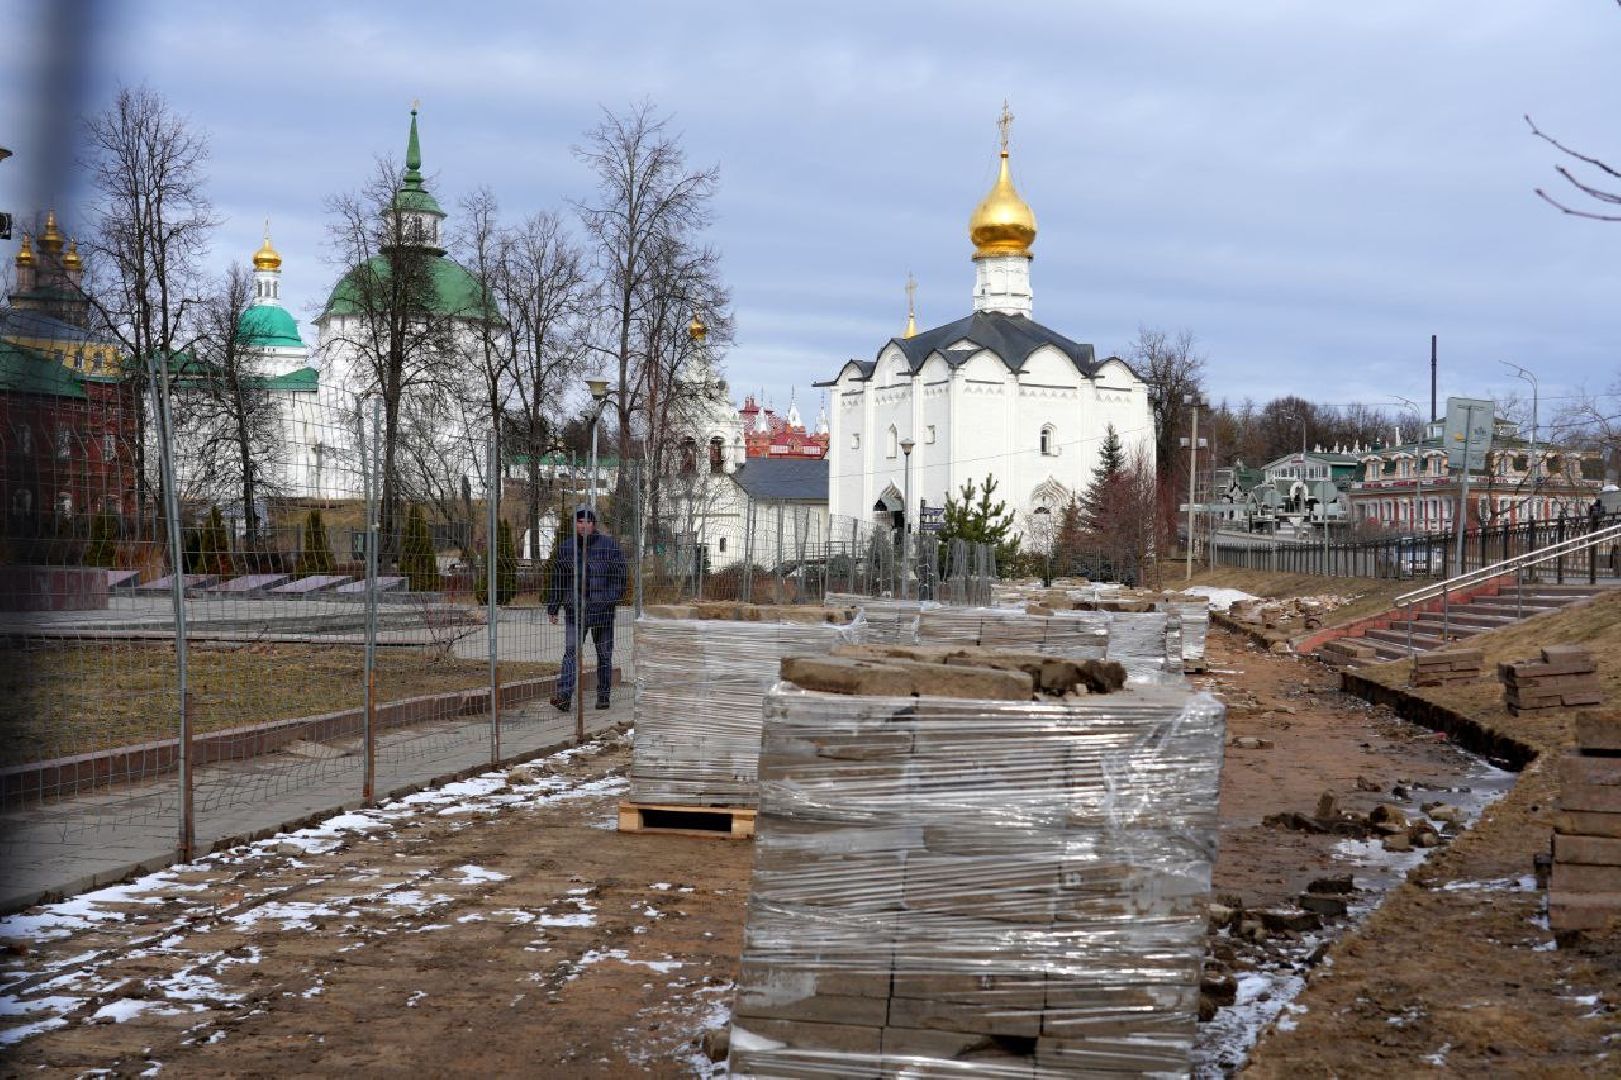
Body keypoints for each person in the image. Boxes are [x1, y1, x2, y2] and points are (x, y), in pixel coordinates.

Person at [547, 507, 627, 711]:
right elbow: (558, 580)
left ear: (594, 524)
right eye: (580, 521)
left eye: (588, 522)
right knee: (571, 653)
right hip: (575, 611)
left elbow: (619, 577)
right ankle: (564, 697)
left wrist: (609, 600)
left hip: (603, 611)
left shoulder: (609, 546)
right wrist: (553, 607)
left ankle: (603, 696)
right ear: (575, 524)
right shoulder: (566, 548)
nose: (583, 525)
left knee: (604, 655)